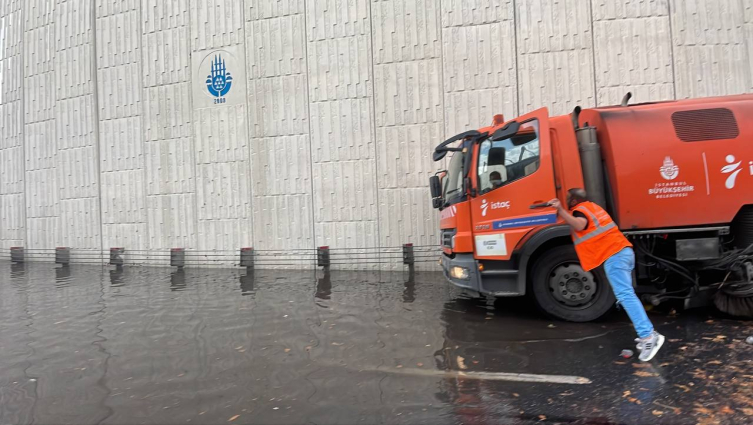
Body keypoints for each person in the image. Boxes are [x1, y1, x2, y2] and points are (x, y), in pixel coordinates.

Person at [548, 188, 664, 362]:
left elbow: (580, 225)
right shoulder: (592, 208)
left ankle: (649, 337)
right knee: (626, 295)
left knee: (625, 295)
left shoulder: (579, 210)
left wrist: (560, 210)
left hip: (614, 256)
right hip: (622, 252)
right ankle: (647, 334)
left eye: (566, 200)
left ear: (572, 201)